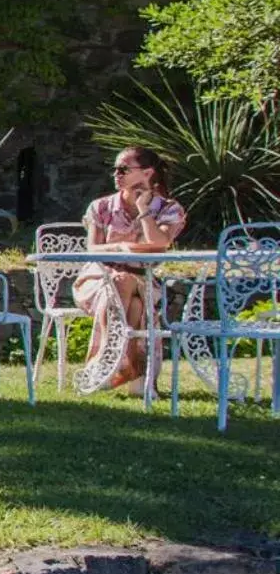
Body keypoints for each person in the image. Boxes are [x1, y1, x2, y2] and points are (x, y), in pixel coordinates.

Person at [73, 147, 185, 393]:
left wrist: (144, 209)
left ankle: (106, 365)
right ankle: (133, 375)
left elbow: (159, 243)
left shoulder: (168, 209)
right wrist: (122, 246)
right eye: (115, 169)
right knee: (125, 290)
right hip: (97, 276)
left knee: (127, 288)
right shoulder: (101, 206)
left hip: (143, 280)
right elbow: (93, 249)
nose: (116, 174)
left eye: (124, 169)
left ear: (147, 173)